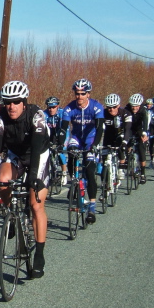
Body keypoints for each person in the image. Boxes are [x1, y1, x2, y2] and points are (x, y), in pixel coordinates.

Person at [0, 80, 51, 278]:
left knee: (36, 204)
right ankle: (12, 213)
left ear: (24, 102)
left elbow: (38, 147)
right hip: (16, 155)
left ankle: (39, 254)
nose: (11, 106)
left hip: (38, 154)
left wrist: (32, 178)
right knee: (2, 179)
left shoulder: (36, 116)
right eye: (7, 102)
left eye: (15, 102)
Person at [61, 79, 104, 224]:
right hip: (77, 138)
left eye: (82, 93)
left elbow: (99, 128)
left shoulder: (96, 107)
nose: (79, 96)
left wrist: (95, 145)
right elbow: (63, 128)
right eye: (77, 93)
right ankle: (74, 182)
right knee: (71, 152)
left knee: (91, 170)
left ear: (88, 94)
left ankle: (92, 206)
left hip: (91, 139)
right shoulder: (69, 108)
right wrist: (60, 144)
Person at [101, 93, 132, 183]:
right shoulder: (103, 113)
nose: (111, 109)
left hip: (121, 134)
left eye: (114, 107)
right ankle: (106, 184)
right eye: (109, 107)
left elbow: (127, 129)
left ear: (118, 105)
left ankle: (120, 169)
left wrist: (125, 142)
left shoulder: (126, 113)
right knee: (104, 159)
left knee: (120, 143)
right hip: (108, 135)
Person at [43, 96, 69, 188]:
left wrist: (61, 143)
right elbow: (43, 129)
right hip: (50, 134)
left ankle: (64, 172)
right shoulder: (45, 114)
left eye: (53, 107)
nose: (51, 109)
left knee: (60, 152)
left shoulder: (61, 113)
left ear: (57, 106)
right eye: (49, 107)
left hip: (61, 133)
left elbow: (63, 128)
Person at [125, 93, 150, 184]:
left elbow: (145, 122)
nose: (134, 108)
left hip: (139, 129)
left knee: (141, 149)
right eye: (133, 106)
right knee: (127, 144)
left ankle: (143, 174)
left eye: (136, 106)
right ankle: (129, 159)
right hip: (130, 128)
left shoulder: (143, 110)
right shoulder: (127, 109)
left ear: (140, 105)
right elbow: (124, 123)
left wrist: (144, 133)